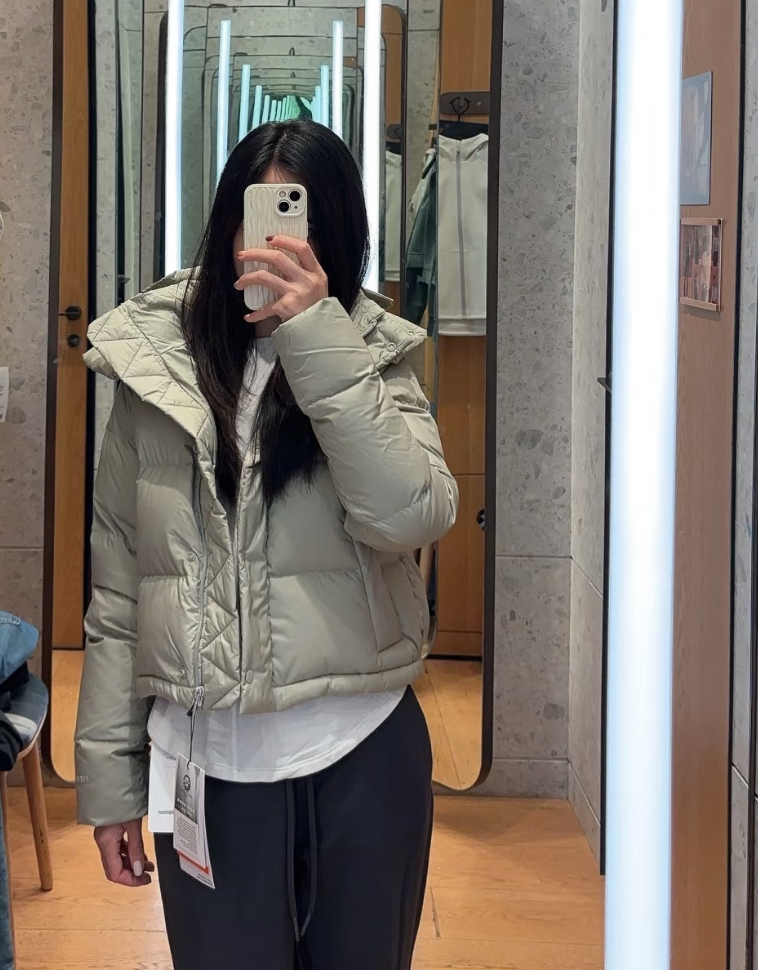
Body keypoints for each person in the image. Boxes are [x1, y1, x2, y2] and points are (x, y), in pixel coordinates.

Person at [75, 118, 458, 970]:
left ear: (338, 236)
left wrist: (317, 337)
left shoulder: (374, 357)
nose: (277, 245)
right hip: (204, 762)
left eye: (302, 221)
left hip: (361, 748)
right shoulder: (154, 371)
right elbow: (119, 592)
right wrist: (109, 781)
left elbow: (411, 517)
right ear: (226, 225)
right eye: (261, 217)